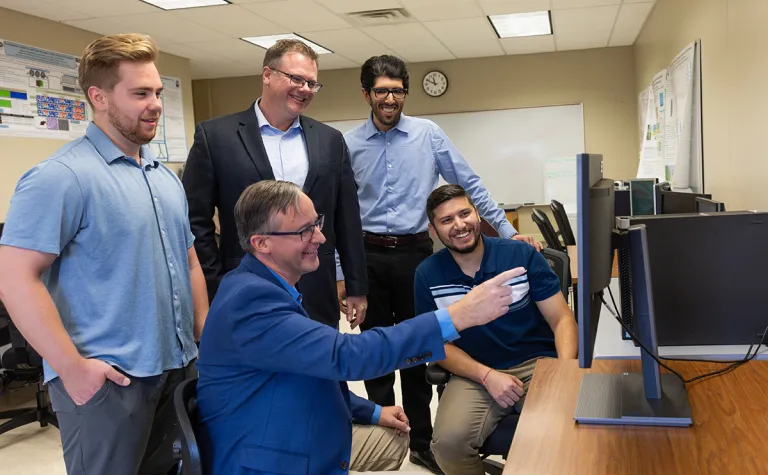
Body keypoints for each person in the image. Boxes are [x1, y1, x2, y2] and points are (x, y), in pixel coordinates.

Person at [196, 180, 526, 474]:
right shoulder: (252, 301)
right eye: (304, 231)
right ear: (262, 243)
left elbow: (306, 369)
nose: (321, 238)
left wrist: (370, 412)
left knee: (393, 442)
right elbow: (348, 356)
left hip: (285, 427)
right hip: (265, 459)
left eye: (317, 224)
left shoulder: (261, 285)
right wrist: (456, 316)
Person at [0, 34, 208, 475]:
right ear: (98, 97)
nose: (154, 103)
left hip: (177, 368)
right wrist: (72, 369)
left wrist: (203, 337)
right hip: (109, 381)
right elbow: (15, 277)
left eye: (156, 92)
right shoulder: (60, 178)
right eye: (139, 93)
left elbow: (188, 261)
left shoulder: (163, 177)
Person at [338, 54, 542, 472]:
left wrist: (505, 230)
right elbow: (340, 210)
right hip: (368, 254)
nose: (390, 98)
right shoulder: (348, 144)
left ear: (404, 93)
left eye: (397, 90)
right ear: (366, 94)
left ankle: (422, 441)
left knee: (419, 348)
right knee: (377, 350)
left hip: (416, 253)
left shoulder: (428, 134)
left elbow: (469, 185)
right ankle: (384, 434)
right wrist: (344, 274)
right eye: (381, 90)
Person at [183, 39, 368, 329]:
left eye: (312, 83)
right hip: (245, 284)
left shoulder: (330, 141)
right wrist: (216, 282)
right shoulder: (216, 137)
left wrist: (356, 284)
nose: (305, 89)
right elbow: (195, 220)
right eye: (296, 78)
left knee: (320, 368)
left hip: (316, 287)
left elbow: (347, 217)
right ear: (267, 75)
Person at [414, 185, 578, 475]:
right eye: (447, 220)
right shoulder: (427, 274)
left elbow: (562, 319)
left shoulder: (519, 256)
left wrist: (564, 373)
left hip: (539, 365)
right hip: (475, 372)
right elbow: (437, 344)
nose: (460, 225)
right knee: (447, 446)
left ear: (478, 214)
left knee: (559, 435)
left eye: (465, 213)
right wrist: (487, 376)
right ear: (433, 229)